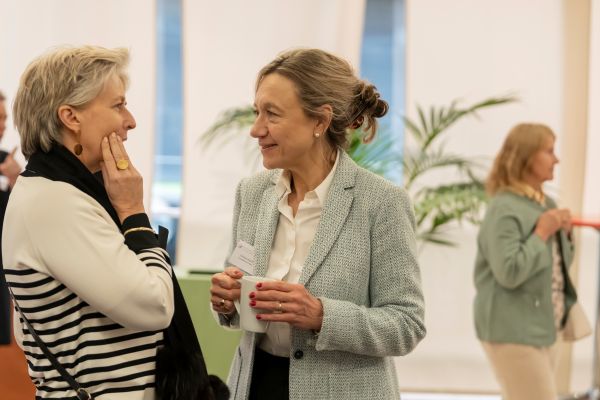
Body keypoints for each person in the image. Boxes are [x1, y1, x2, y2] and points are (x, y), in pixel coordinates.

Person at [209, 48, 426, 400]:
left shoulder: (381, 202)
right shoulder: (251, 193)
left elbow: (406, 324)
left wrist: (321, 315)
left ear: (320, 122)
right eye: (256, 112)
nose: (255, 129)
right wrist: (227, 300)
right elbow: (239, 288)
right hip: (254, 385)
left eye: (272, 114)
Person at [2, 46, 176, 399]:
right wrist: (133, 212)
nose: (130, 120)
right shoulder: (56, 202)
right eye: (118, 105)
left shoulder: (63, 192)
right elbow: (155, 306)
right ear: (71, 117)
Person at [474, 123, 577, 400]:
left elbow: (558, 267)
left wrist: (565, 236)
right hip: (513, 329)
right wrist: (542, 233)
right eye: (549, 151)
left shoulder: (547, 204)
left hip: (546, 326)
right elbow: (509, 272)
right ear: (527, 157)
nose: (557, 159)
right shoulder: (504, 208)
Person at [0, 90, 22, 346]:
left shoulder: (7, 160)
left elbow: (20, 217)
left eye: (5, 118)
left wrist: (16, 180)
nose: (4, 124)